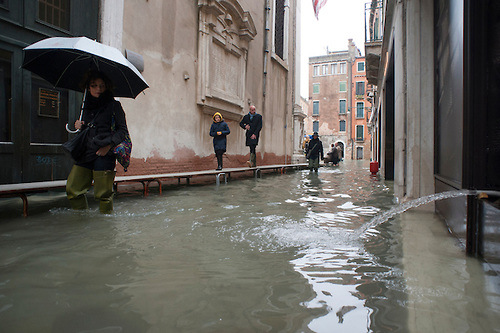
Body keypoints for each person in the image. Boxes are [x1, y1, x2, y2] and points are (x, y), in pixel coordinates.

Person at [65, 71, 129, 214]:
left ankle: (104, 228)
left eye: (102, 86)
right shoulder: (85, 107)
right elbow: (87, 130)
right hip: (85, 152)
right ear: (88, 87)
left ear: (107, 87)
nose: (98, 89)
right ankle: (82, 222)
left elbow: (122, 131)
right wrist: (79, 126)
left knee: (103, 195)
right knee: (73, 189)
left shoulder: (114, 106)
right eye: (94, 86)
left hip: (104, 154)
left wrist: (109, 146)